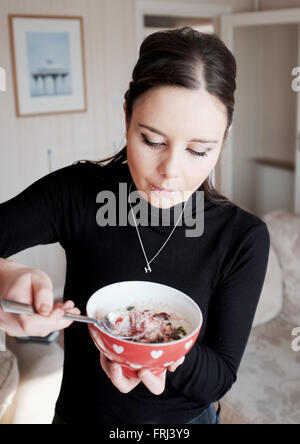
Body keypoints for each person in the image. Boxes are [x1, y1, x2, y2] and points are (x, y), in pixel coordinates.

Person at [0, 28, 270, 424]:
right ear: (127, 117)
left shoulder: (242, 237)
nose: (170, 172)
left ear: (223, 140)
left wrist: (155, 348)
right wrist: (4, 275)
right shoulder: (78, 193)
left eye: (199, 150)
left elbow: (218, 378)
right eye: (152, 140)